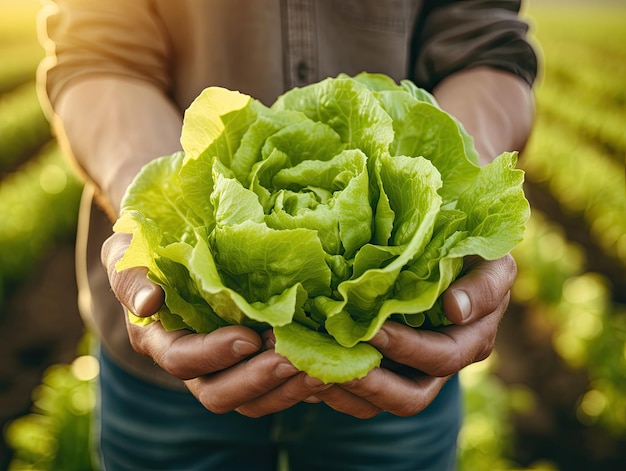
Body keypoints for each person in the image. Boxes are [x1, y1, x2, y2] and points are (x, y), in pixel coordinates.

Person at [37, 1, 537, 469]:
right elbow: (98, 52)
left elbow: (485, 45)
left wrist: (463, 197)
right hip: (174, 365)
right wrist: (147, 209)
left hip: (397, 363)